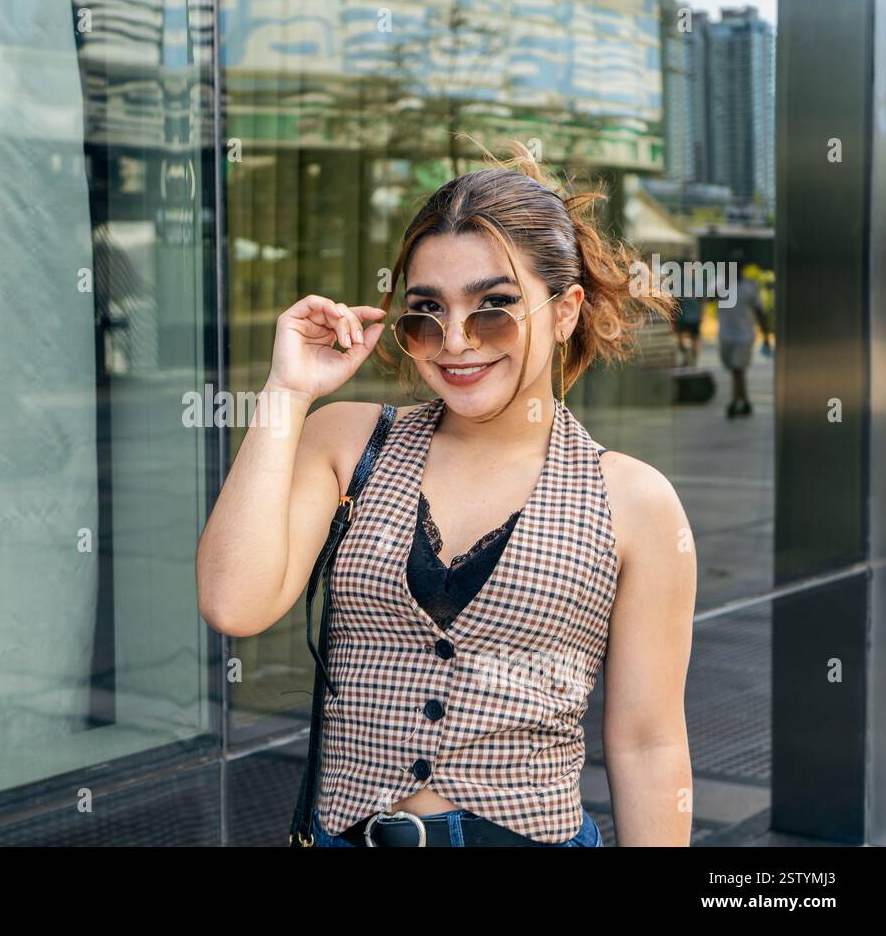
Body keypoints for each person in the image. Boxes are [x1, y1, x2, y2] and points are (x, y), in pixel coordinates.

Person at [196, 140, 696, 847]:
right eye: (426, 313)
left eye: (494, 307)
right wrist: (286, 392)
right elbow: (232, 601)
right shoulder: (348, 441)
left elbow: (648, 745)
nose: (457, 341)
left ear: (564, 311)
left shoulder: (637, 502)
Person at [716, 262, 773, 418]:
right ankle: (745, 401)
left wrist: (766, 335)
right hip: (726, 335)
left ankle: (735, 402)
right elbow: (709, 296)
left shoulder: (749, 287)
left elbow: (759, 310)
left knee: (738, 369)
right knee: (735, 369)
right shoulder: (720, 284)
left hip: (744, 335)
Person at [673, 294, 703, 367]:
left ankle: (694, 360)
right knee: (681, 339)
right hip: (682, 317)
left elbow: (703, 301)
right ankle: (686, 356)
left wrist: (702, 314)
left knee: (695, 339)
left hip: (694, 317)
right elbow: (675, 301)